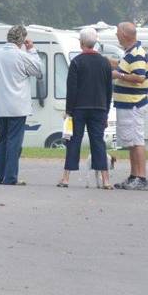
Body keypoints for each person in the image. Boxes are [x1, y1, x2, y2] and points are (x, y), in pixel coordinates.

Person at [0, 25, 43, 186]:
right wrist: (32, 50)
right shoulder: (22, 56)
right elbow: (38, 70)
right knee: (14, 142)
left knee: (2, 140)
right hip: (17, 106)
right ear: (22, 40)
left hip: (0, 107)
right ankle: (10, 177)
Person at [57, 27, 113, 188]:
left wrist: (68, 111)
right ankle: (106, 180)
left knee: (74, 141)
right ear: (95, 43)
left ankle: (66, 178)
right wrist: (106, 112)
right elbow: (109, 90)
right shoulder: (105, 62)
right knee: (98, 142)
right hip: (99, 108)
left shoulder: (76, 62)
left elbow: (72, 89)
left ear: (81, 43)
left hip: (79, 108)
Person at [110, 22, 148, 190]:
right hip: (128, 104)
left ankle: (141, 178)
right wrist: (106, 62)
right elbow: (123, 66)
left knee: (137, 141)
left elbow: (139, 77)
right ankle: (133, 176)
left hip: (134, 104)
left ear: (125, 34)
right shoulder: (129, 53)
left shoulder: (137, 54)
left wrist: (118, 75)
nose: (116, 35)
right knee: (131, 142)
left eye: (117, 32)